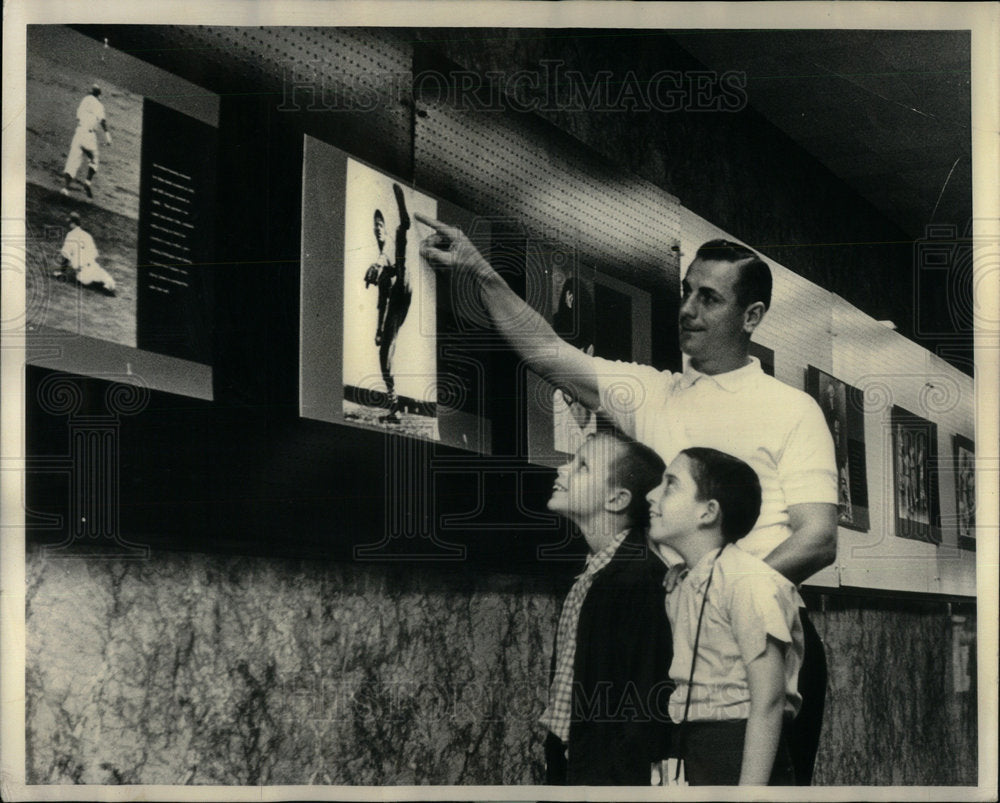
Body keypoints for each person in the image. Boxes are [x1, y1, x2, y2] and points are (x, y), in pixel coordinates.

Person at [416, 218, 836, 784]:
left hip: (760, 645)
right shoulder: (655, 392)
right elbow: (546, 350)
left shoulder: (792, 409)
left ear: (752, 317)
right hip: (668, 648)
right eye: (686, 290)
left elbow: (817, 537)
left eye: (709, 298)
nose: (687, 308)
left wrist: (719, 600)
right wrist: (479, 270)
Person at [646, 447, 803, 785]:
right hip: (696, 745)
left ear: (708, 512)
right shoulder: (686, 581)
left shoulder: (748, 582)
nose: (651, 495)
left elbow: (769, 700)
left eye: (670, 484)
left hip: (741, 748)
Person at [540, 429, 673, 785]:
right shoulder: (596, 572)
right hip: (577, 758)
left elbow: (643, 696)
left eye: (581, 466)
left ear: (616, 499)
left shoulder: (640, 579)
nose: (562, 470)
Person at [363, 184, 412, 423]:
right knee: (384, 358)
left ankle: (404, 221)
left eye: (379, 225)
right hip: (397, 303)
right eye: (375, 228)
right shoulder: (381, 259)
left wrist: (378, 265)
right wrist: (378, 329)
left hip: (404, 284)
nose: (377, 230)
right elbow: (381, 303)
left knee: (400, 238)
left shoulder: (387, 247)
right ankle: (394, 407)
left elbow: (386, 258)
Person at [62, 84, 112, 199]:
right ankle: (87, 183)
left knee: (72, 162)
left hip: (79, 133)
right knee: (94, 159)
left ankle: (66, 188)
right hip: (89, 137)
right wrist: (108, 136)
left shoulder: (84, 100)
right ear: (99, 95)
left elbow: (78, 117)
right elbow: (103, 121)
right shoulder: (99, 105)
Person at [52, 211, 116, 296]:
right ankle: (103, 284)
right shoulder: (87, 235)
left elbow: (65, 256)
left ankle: (96, 284)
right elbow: (95, 254)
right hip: (94, 266)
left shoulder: (70, 235)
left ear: (73, 223)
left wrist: (62, 272)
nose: (68, 225)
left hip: (82, 272)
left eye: (69, 223)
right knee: (110, 282)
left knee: (84, 279)